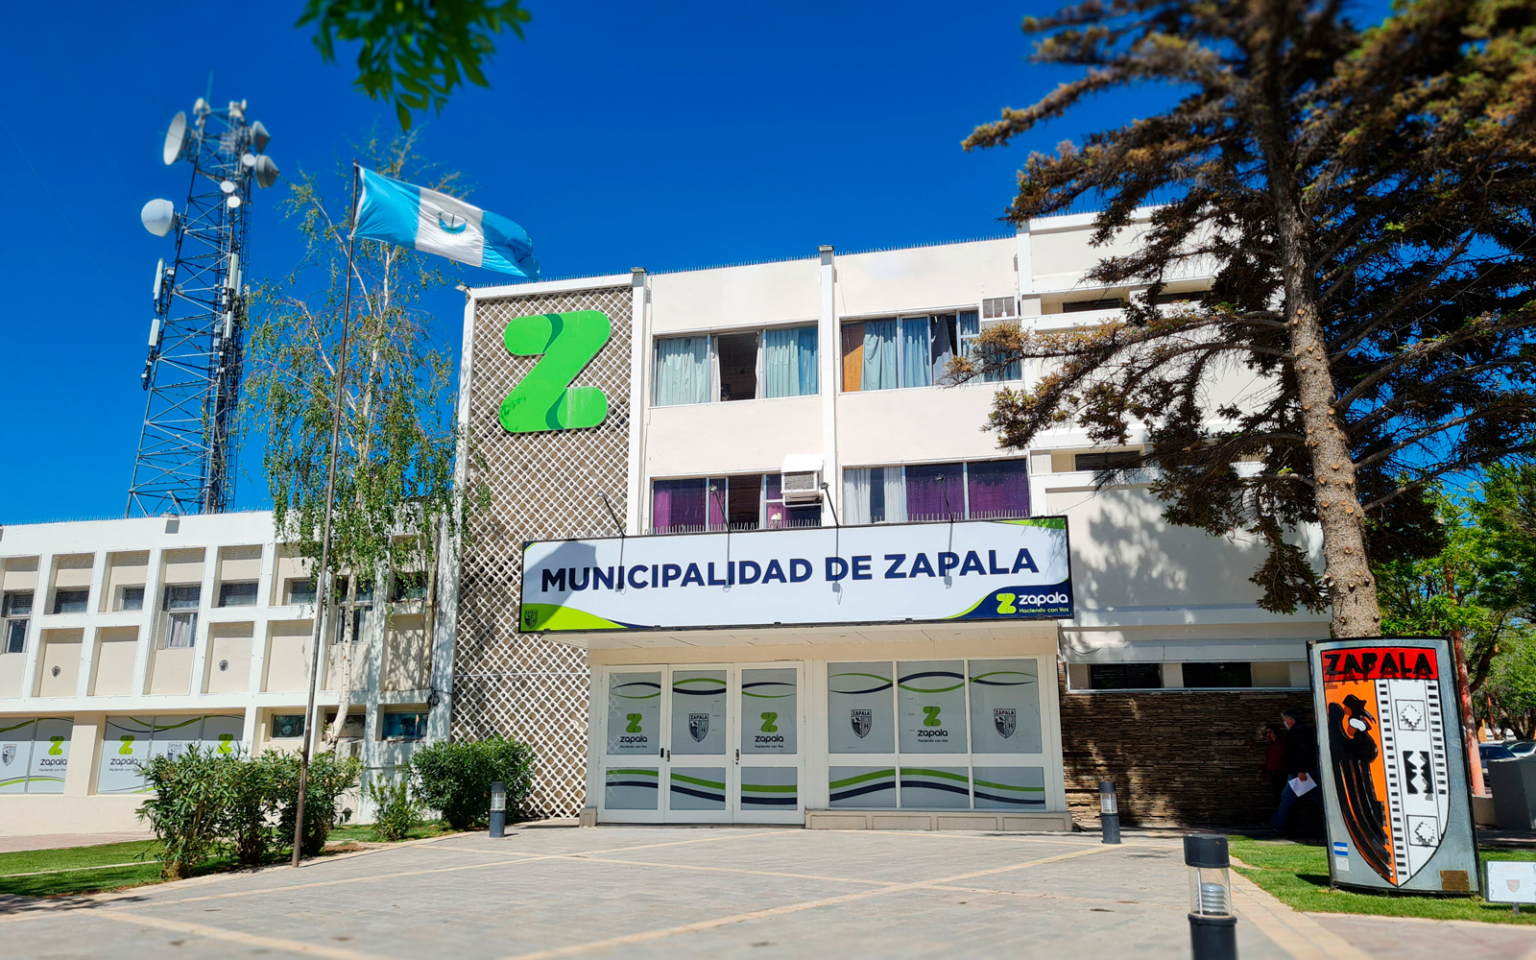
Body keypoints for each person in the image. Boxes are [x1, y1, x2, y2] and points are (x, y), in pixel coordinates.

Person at [1271, 708, 1322, 831]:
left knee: (1287, 796)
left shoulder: (1296, 733)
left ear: (1290, 720)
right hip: (1307, 769)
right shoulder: (1304, 731)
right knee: (1318, 796)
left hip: (1300, 771)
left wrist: (1301, 770)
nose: (1284, 723)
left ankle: (1278, 823)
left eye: (1284, 720)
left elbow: (1301, 751)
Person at [1261, 723, 1287, 799]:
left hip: (1281, 772)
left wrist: (1276, 741)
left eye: (1270, 732)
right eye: (1267, 733)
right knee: (1277, 794)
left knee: (1284, 794)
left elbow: (1285, 754)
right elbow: (1269, 759)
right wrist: (1263, 768)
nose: (1268, 735)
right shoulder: (1270, 746)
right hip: (1273, 773)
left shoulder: (1282, 743)